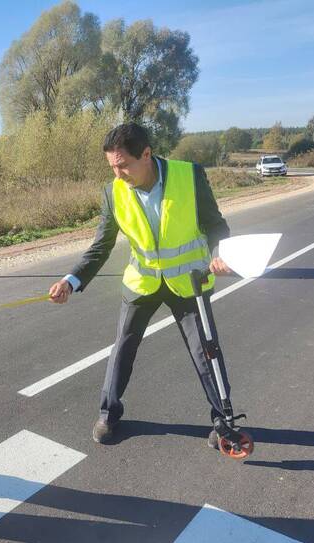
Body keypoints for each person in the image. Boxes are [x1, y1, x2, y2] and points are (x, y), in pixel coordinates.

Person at [48, 123, 233, 446]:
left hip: (188, 281)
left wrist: (219, 254)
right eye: (112, 167)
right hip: (143, 283)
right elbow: (101, 246)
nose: (118, 174)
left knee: (206, 350)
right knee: (122, 348)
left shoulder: (189, 176)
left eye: (123, 165)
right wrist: (71, 280)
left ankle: (223, 421)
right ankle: (109, 414)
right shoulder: (113, 192)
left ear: (146, 154)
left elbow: (216, 225)